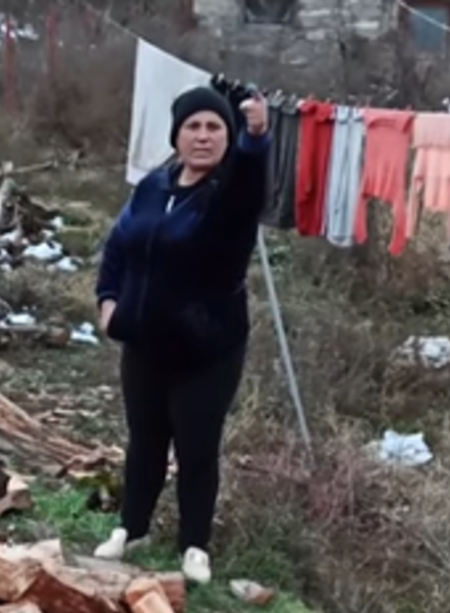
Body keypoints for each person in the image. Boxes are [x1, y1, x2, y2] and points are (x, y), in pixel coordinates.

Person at [92, 85, 270, 584]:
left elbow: (250, 185)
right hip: (144, 345)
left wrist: (256, 137)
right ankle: (131, 529)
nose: (204, 136)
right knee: (145, 440)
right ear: (177, 135)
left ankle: (194, 545)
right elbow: (118, 247)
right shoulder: (154, 187)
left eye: (215, 127)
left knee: (196, 446)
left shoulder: (227, 196)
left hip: (206, 349)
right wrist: (109, 303)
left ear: (227, 137)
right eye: (193, 126)